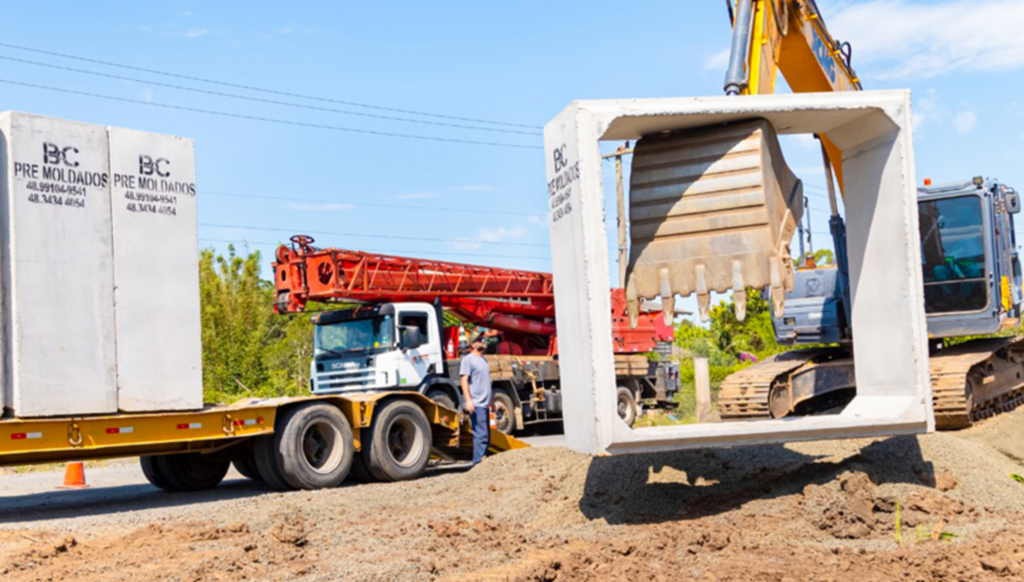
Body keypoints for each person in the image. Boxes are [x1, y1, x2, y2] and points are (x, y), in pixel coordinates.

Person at [460, 334, 493, 465]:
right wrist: (468, 400)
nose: (483, 341)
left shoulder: (483, 360)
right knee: (481, 435)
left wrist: (491, 401)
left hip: (485, 403)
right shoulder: (468, 360)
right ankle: (477, 464)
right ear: (472, 344)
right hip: (477, 403)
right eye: (479, 340)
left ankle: (481, 462)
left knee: (486, 436)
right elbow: (464, 379)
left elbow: (487, 382)